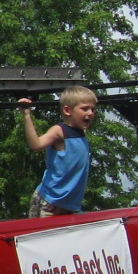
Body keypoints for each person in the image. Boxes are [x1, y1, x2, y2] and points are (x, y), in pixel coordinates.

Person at [19, 86, 98, 217]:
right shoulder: (59, 131)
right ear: (67, 110)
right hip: (50, 201)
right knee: (42, 236)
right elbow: (36, 144)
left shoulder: (81, 132)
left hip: (68, 204)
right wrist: (27, 115)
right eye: (85, 109)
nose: (90, 113)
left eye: (93, 109)